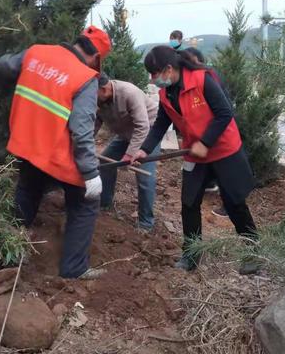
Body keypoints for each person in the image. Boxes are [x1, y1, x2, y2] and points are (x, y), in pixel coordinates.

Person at [0, 26, 111, 279]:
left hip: (26, 146)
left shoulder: (36, 53)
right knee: (86, 203)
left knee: (28, 190)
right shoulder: (85, 77)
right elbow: (82, 132)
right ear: (96, 58)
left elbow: (4, 65)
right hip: (56, 157)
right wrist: (91, 174)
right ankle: (74, 269)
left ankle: (5, 250)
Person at [132, 46, 259, 275]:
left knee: (234, 203)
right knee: (189, 204)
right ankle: (191, 254)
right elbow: (161, 123)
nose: (153, 79)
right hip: (194, 153)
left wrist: (206, 142)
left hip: (223, 149)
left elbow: (224, 113)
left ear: (168, 68)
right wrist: (144, 150)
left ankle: (253, 252)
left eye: (154, 73)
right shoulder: (166, 92)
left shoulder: (202, 80)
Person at [96, 73, 160, 231]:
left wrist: (129, 155)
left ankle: (146, 222)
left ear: (103, 89)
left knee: (144, 177)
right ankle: (104, 202)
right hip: (125, 134)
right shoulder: (99, 99)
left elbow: (143, 126)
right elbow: (95, 123)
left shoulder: (129, 93)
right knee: (105, 161)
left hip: (147, 133)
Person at [184, 47, 229, 218]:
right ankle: (210, 184)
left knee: (223, 170)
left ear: (198, 61)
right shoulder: (195, 79)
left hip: (219, 130)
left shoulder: (208, 76)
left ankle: (228, 205)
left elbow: (223, 110)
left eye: (191, 63)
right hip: (208, 132)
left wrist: (209, 137)